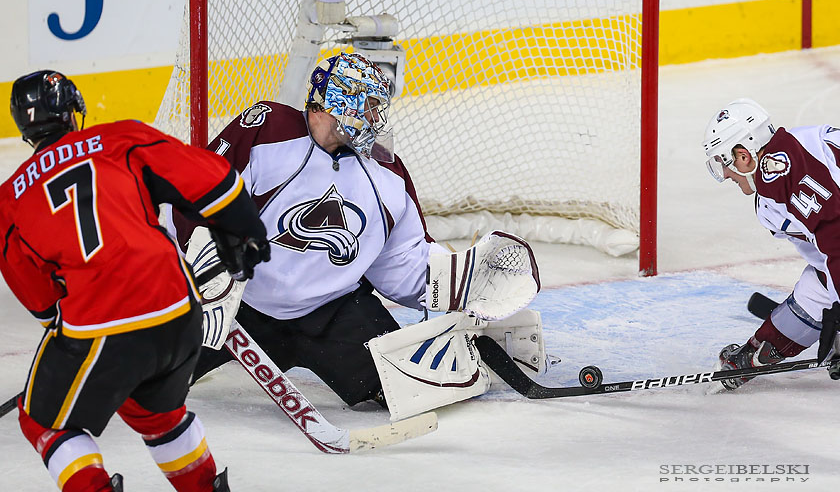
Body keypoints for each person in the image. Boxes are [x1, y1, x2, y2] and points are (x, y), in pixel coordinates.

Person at [173, 52, 541, 419]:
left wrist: (459, 283)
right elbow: (197, 194)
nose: (376, 119)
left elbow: (402, 263)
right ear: (339, 100)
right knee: (152, 373)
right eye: (370, 106)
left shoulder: (386, 171)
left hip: (334, 314)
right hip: (238, 305)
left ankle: (476, 353)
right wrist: (206, 273)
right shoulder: (267, 131)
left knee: (412, 390)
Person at [0, 71, 270, 491]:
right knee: (158, 416)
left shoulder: (9, 200)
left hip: (103, 325)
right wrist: (244, 227)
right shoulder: (119, 138)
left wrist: (69, 341)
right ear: (73, 110)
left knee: (42, 422)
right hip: (179, 312)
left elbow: (42, 301)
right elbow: (212, 178)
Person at [701, 98, 840, 390]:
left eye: (723, 163)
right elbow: (828, 265)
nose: (726, 174)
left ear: (743, 156)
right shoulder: (769, 201)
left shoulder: (782, 166)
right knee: (819, 289)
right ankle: (754, 355)